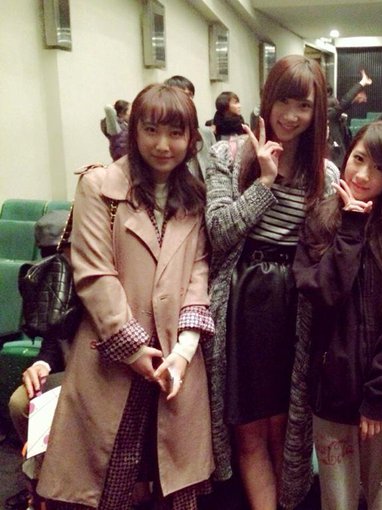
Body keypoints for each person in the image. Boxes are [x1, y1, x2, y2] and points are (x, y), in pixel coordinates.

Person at [38, 83, 216, 509]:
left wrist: (184, 351)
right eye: (151, 130)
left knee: (173, 486)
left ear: (191, 138)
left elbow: (198, 273)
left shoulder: (194, 198)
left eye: (175, 133)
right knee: (107, 484)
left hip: (173, 364)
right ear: (133, 131)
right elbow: (94, 273)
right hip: (113, 360)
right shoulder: (100, 187)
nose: (162, 145)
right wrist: (133, 348)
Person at [204, 55, 338, 510]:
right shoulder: (227, 155)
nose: (291, 115)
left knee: (286, 427)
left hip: (295, 305)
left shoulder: (324, 174)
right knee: (247, 427)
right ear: (267, 99)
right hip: (242, 300)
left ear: (316, 112)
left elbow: (325, 251)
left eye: (304, 105)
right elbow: (219, 232)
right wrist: (264, 181)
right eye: (284, 101)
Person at [293, 121, 382, 510]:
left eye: (379, 168)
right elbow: (323, 292)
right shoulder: (321, 220)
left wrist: (378, 397)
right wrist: (351, 229)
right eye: (358, 159)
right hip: (333, 391)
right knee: (337, 501)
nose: (363, 175)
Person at [164, 75, 217, 181]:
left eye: (190, 95)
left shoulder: (205, 133)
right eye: (181, 95)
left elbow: (216, 167)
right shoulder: (163, 135)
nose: (187, 100)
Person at [327, 69, 372, 168]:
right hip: (336, 163)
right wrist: (362, 82)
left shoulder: (338, 120)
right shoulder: (330, 116)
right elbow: (345, 102)